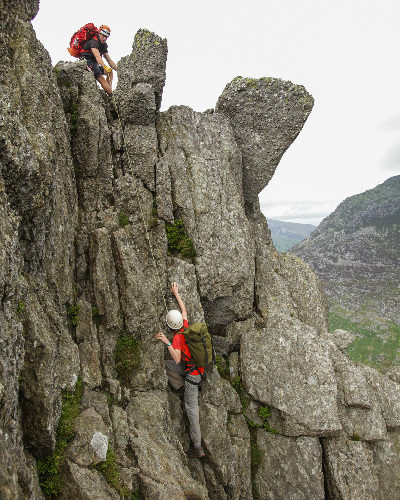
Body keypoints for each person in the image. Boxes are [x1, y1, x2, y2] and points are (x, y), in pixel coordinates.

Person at [155, 282, 205, 458]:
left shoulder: (177, 337)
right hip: (194, 367)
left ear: (169, 326)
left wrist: (166, 341)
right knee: (165, 364)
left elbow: (177, 358)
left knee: (192, 410)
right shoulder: (185, 327)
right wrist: (176, 293)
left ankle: (197, 447)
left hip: (192, 375)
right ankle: (180, 385)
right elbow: (184, 311)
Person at [80, 24, 117, 95]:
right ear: (99, 34)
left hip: (94, 63)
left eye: (106, 37)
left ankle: (109, 91)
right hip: (86, 62)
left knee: (109, 72)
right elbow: (98, 57)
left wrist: (120, 70)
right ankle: (111, 95)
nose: (104, 38)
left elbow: (109, 60)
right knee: (101, 77)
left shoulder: (104, 45)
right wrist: (104, 67)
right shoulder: (94, 41)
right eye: (103, 36)